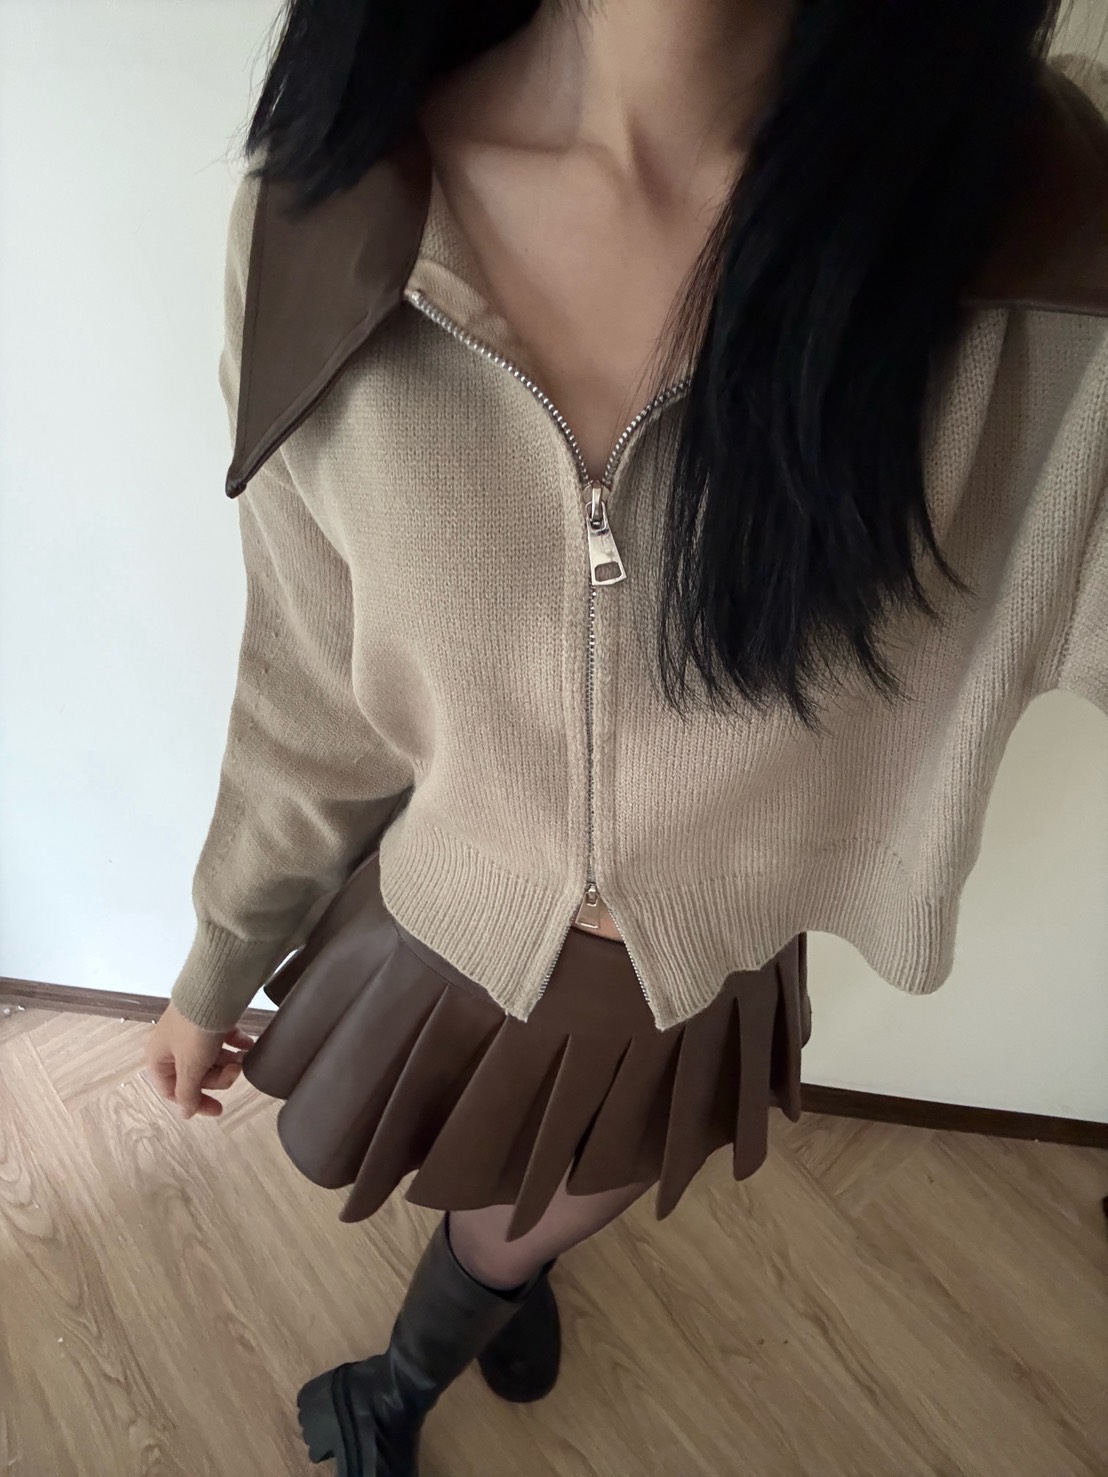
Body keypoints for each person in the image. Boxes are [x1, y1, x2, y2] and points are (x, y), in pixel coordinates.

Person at [144, 1, 1107, 1473]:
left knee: (546, 1203)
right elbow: (309, 677)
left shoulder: (1044, 248)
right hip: (449, 927)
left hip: (700, 965)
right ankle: (449, 1336)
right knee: (505, 1192)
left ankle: (401, 1379)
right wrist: (221, 951)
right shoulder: (328, 215)